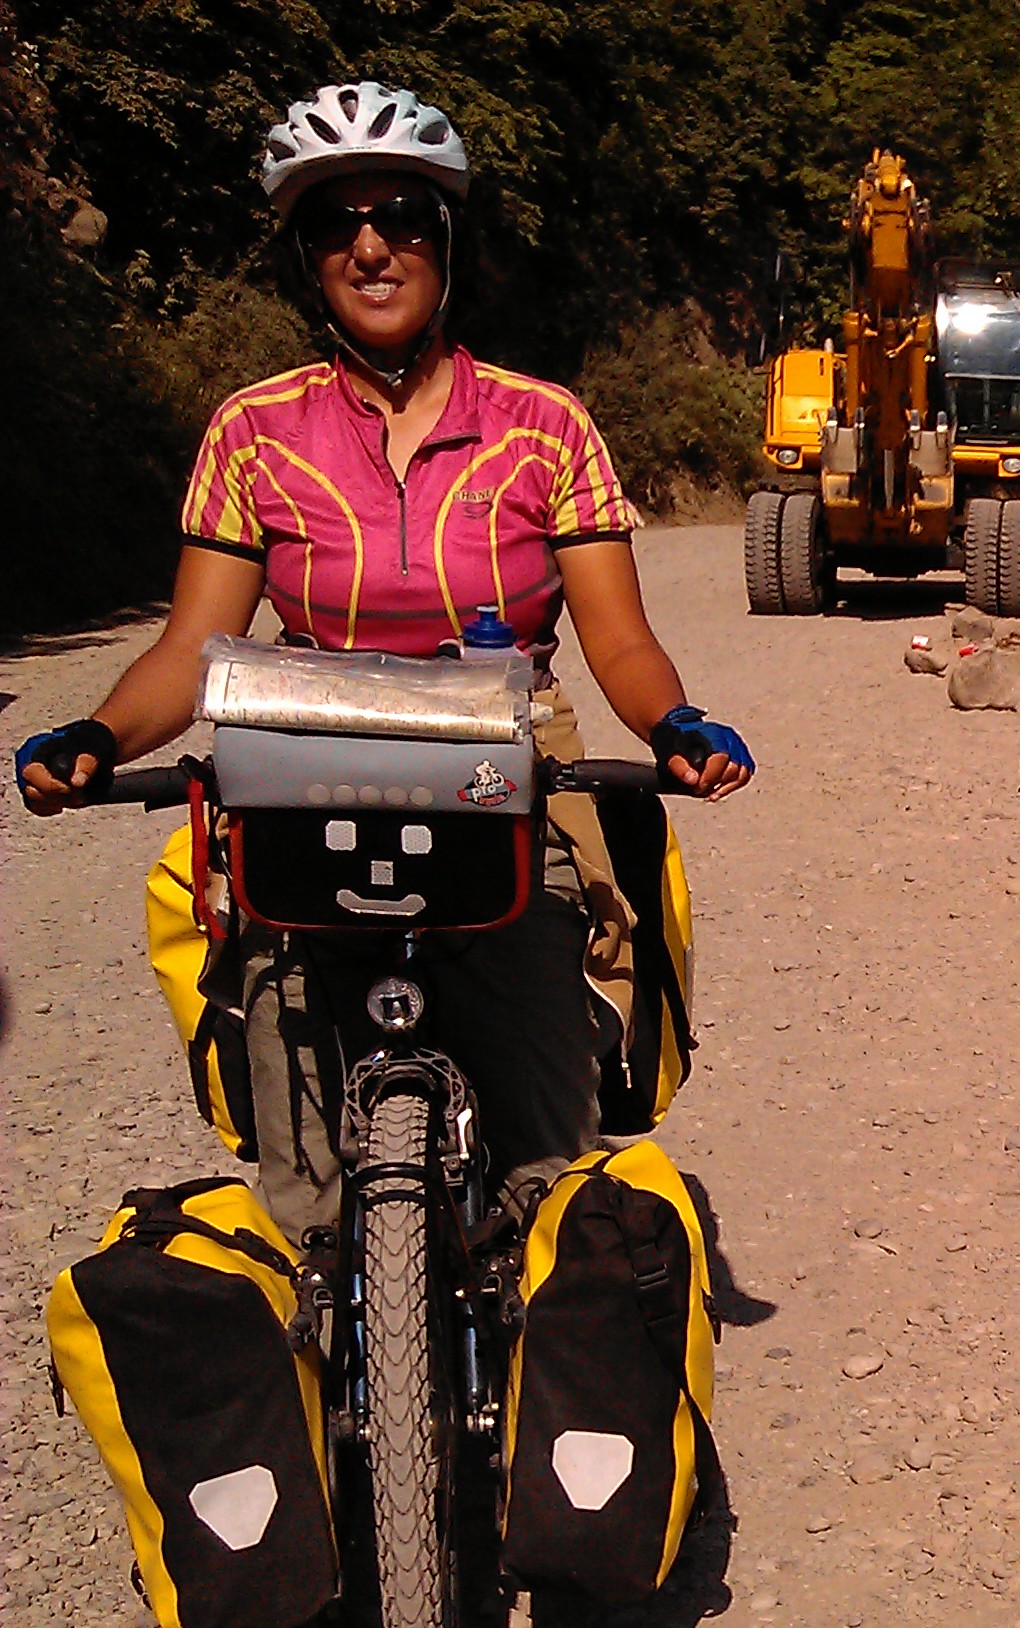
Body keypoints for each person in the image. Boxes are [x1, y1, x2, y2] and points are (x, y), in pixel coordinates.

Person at [15, 81, 754, 1248]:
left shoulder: (545, 425)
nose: (370, 248)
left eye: (401, 216)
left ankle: (542, 1256)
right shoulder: (254, 430)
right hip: (309, 760)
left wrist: (675, 722)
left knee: (546, 1119)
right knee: (297, 1142)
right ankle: (324, 1282)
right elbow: (191, 648)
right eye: (335, 224)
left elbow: (617, 638)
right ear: (303, 259)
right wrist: (97, 737)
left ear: (448, 240)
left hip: (503, 759)